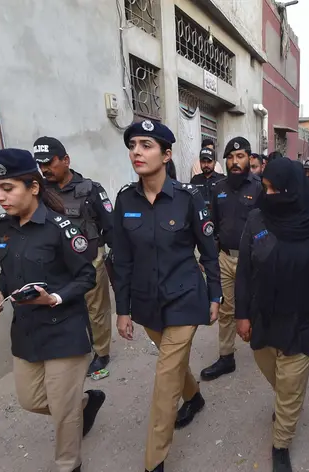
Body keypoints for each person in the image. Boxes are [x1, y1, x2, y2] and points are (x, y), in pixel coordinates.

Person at [0, 149, 104, 472]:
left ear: (33, 187)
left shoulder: (61, 227)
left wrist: (54, 298)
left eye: (7, 188)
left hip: (64, 328)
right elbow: (7, 274)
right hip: (26, 331)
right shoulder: (4, 227)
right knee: (32, 400)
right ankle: (86, 403)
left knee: (63, 413)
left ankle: (69, 464)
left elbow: (86, 276)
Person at [112, 120, 222, 472]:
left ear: (167, 153)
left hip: (186, 298)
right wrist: (123, 309)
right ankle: (195, 396)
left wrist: (215, 296)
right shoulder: (125, 200)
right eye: (133, 146)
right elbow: (123, 259)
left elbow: (208, 251)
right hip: (147, 303)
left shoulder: (189, 198)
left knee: (164, 379)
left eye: (146, 145)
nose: (137, 152)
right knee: (172, 364)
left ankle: (154, 460)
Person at [235, 158, 309, 472]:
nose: (266, 194)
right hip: (264, 314)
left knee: (290, 382)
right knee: (272, 370)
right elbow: (244, 271)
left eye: (273, 189)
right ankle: (289, 398)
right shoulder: (257, 219)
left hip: (305, 314)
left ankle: (281, 443)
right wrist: (241, 315)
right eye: (265, 187)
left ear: (292, 189)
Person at [33, 137, 115, 376]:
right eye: (41, 165)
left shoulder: (90, 189)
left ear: (66, 160)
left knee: (96, 309)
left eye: (50, 163)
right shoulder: (39, 192)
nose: (45, 169)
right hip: (58, 264)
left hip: (90, 258)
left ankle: (101, 352)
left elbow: (110, 226)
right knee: (64, 306)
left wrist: (117, 260)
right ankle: (72, 347)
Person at [201, 137, 263, 381]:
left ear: (249, 158)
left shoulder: (259, 188)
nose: (235, 162)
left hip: (254, 261)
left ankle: (263, 348)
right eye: (230, 157)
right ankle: (226, 357)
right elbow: (213, 225)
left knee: (256, 305)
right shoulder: (218, 188)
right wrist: (210, 257)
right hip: (225, 258)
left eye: (240, 157)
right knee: (226, 310)